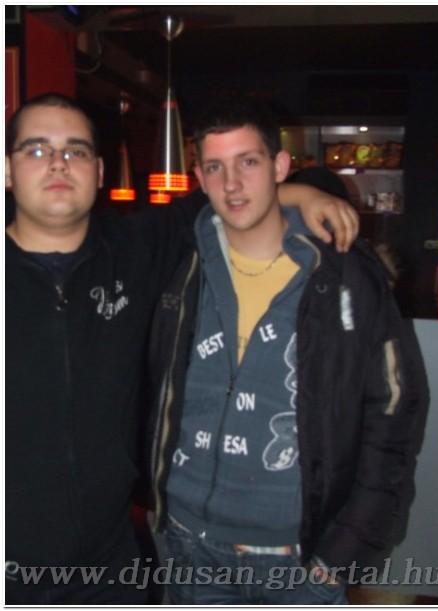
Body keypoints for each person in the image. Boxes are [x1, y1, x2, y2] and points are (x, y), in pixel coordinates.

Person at [5, 92, 359, 605]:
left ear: (99, 171)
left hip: (111, 564)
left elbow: (224, 194)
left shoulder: (134, 248)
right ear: (7, 170)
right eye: (36, 150)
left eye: (76, 150)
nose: (58, 163)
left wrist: (301, 193)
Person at [147, 95, 420, 605]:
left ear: (279, 166)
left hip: (299, 558)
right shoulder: (178, 264)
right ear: (199, 177)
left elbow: (393, 410)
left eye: (248, 162)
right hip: (187, 546)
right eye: (215, 167)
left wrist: (349, 546)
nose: (232, 184)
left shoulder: (343, 274)